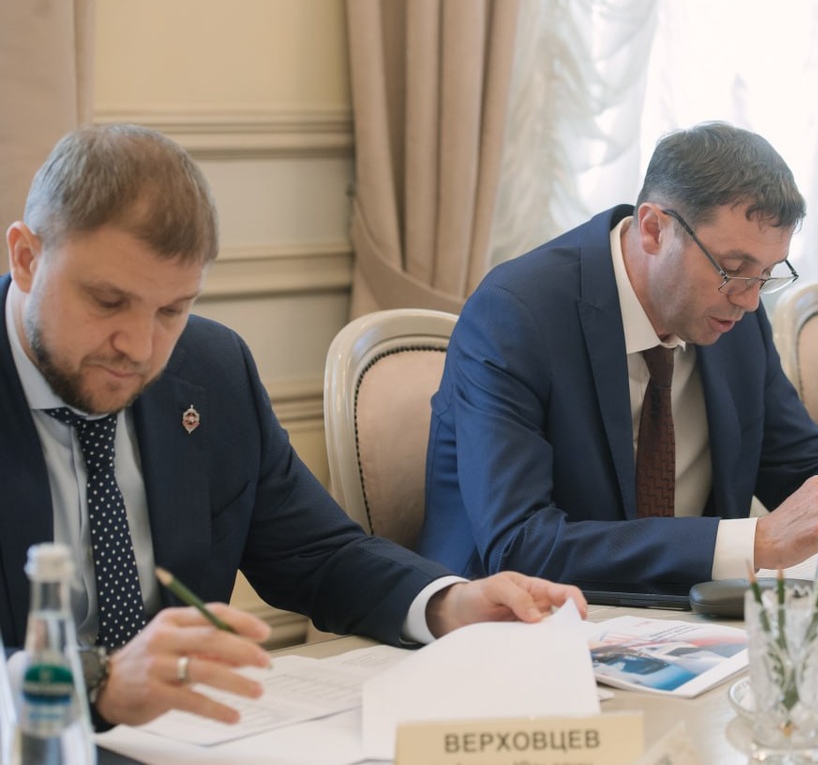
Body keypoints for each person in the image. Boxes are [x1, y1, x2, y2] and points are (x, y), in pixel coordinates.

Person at [0, 124, 586, 730]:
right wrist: (95, 683)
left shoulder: (209, 368)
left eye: (172, 310)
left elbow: (319, 555)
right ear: (26, 258)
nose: (140, 348)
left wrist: (451, 603)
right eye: (107, 302)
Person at [420, 121, 818, 594]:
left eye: (767, 274)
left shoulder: (734, 316)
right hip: (517, 623)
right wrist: (754, 541)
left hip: (686, 618)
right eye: (733, 267)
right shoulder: (516, 314)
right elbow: (520, 543)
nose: (750, 299)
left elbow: (797, 462)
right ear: (654, 229)